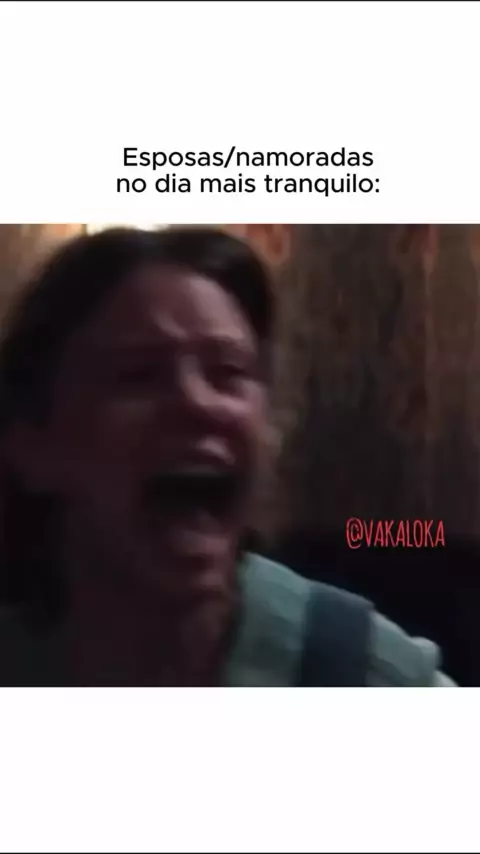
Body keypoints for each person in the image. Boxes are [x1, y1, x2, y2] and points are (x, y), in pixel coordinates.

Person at [0, 226, 454, 686]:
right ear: (33, 444)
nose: (198, 402)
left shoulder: (363, 671)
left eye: (227, 371)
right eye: (139, 375)